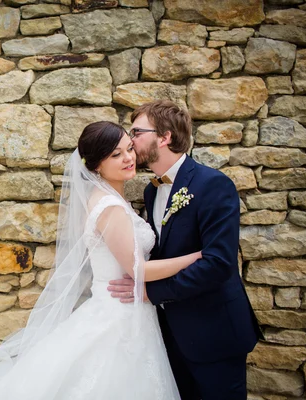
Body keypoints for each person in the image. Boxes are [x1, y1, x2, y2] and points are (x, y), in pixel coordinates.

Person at [0, 121, 204, 400]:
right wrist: (195, 257)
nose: (128, 158)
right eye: (116, 155)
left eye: (129, 148)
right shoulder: (110, 207)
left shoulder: (107, 198)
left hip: (126, 310)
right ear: (95, 166)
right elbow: (138, 269)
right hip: (119, 316)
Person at [108, 100, 262, 400]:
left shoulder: (213, 185)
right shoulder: (153, 190)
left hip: (214, 333)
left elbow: (218, 264)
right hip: (171, 335)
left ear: (164, 137)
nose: (130, 140)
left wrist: (153, 292)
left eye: (137, 132)